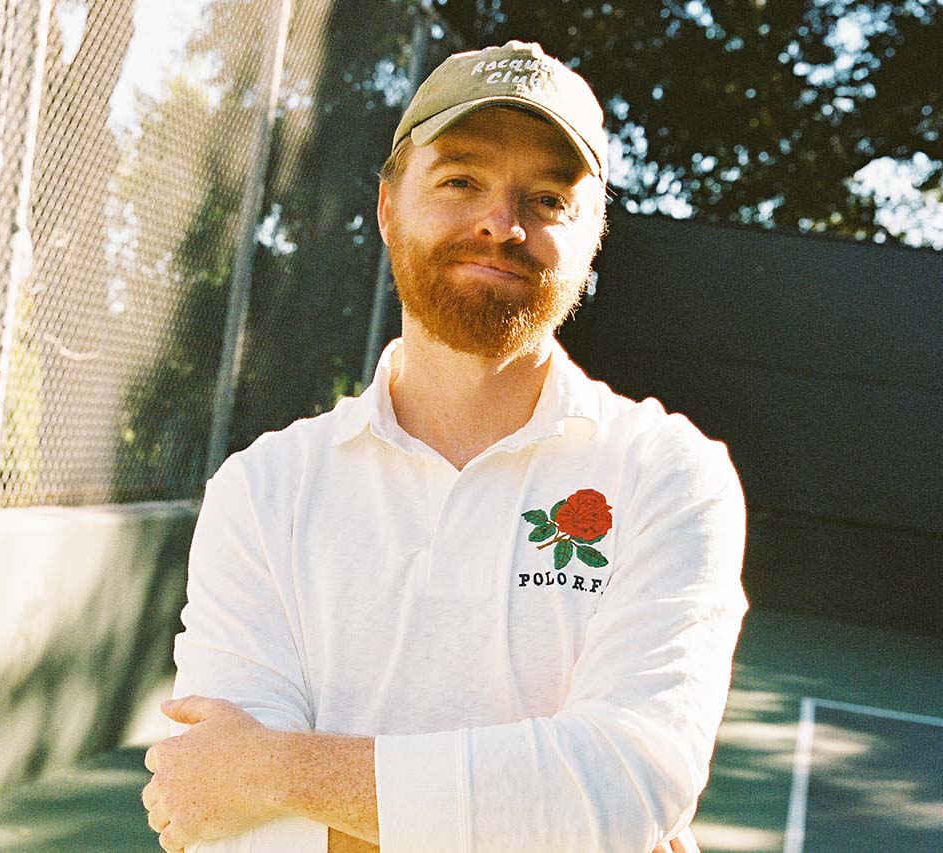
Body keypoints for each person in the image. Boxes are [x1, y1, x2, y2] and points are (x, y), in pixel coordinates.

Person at [142, 40, 747, 853]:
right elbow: (233, 836)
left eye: (548, 196)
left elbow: (623, 784)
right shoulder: (264, 488)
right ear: (389, 204)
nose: (503, 223)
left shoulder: (672, 474)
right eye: (461, 180)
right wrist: (548, 818)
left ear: (593, 234)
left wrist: (274, 772)